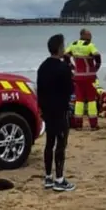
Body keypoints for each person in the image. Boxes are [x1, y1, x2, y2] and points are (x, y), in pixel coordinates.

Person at [36, 34, 76, 192]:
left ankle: (48, 177)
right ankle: (59, 178)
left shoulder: (42, 67)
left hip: (47, 110)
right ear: (60, 48)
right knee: (61, 143)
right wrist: (68, 62)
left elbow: (40, 90)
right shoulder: (63, 68)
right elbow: (70, 88)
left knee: (49, 143)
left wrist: (41, 108)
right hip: (60, 110)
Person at [64, 29, 102, 130]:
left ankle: (78, 124)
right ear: (84, 35)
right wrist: (96, 67)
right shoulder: (89, 45)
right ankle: (93, 124)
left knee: (79, 100)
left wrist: (71, 66)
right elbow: (97, 56)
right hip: (89, 76)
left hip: (78, 76)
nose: (91, 36)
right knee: (91, 100)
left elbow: (65, 55)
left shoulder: (73, 44)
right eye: (89, 34)